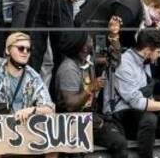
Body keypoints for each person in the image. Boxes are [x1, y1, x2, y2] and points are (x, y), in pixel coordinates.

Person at [110, 29, 160, 158]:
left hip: (144, 115)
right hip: (122, 115)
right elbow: (136, 102)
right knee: (150, 119)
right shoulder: (124, 64)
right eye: (159, 52)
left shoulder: (146, 60)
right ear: (148, 49)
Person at [55, 18, 128, 158]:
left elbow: (114, 61)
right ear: (82, 46)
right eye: (89, 39)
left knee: (119, 141)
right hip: (71, 122)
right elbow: (70, 105)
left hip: (89, 118)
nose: (92, 41)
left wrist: (113, 36)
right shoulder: (68, 68)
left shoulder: (88, 61)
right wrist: (90, 89)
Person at [0, 30, 54, 120]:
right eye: (21, 48)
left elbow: (49, 109)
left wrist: (32, 110)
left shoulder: (33, 77)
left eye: (29, 49)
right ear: (7, 50)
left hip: (20, 129)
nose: (25, 52)